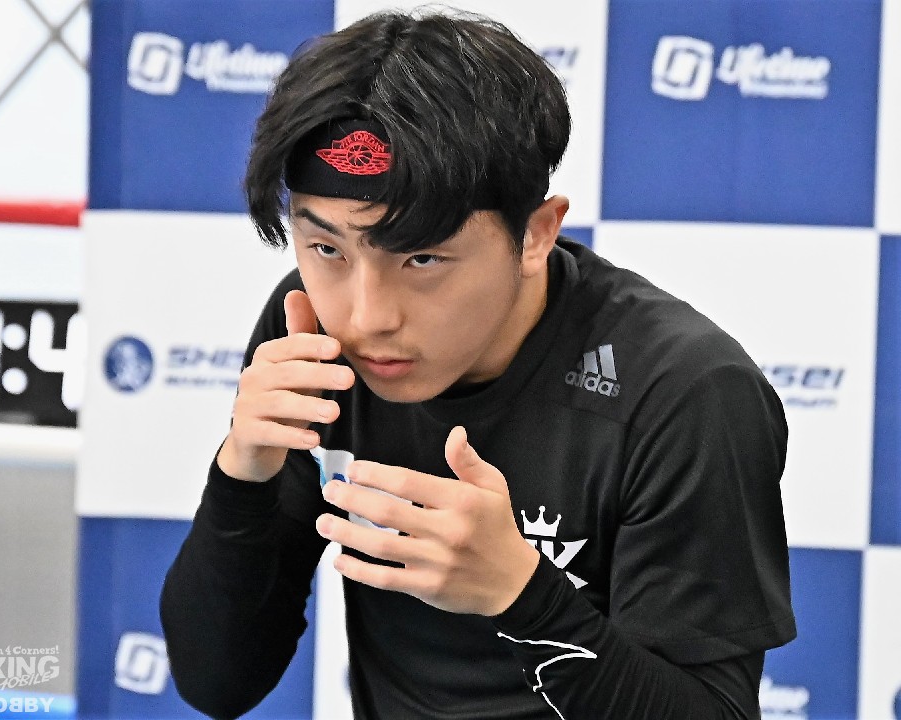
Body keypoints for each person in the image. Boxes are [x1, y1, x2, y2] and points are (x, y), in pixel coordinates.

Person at [160, 9, 796, 720]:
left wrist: (522, 595)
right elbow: (218, 684)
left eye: (422, 258)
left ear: (536, 234)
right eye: (328, 249)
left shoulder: (684, 392)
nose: (367, 316)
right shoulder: (311, 333)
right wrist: (242, 475)